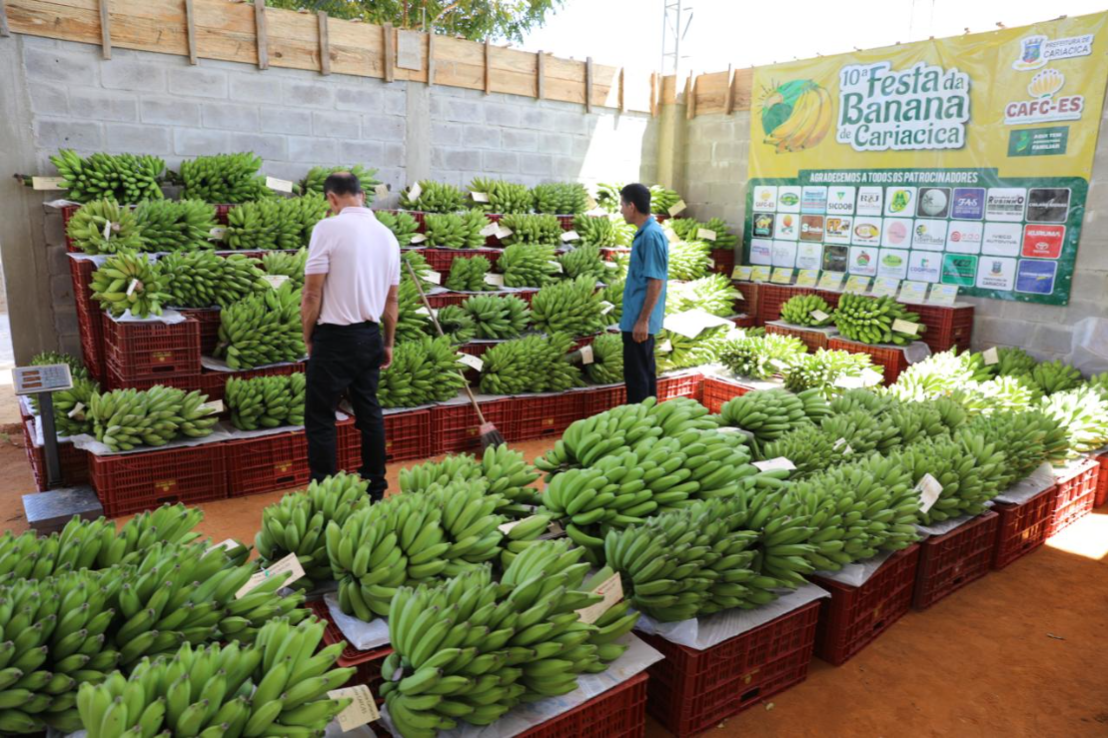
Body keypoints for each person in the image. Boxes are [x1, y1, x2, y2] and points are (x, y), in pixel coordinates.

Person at [301, 171, 400, 500]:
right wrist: (387, 343)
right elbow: (392, 300)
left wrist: (309, 337)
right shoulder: (387, 235)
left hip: (334, 338)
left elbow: (312, 294)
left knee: (320, 417)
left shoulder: (327, 228)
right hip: (370, 335)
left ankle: (325, 493)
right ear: (361, 194)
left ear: (331, 198)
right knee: (369, 412)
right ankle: (376, 487)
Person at [619, 183, 668, 404]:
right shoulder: (646, 233)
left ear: (632, 206)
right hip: (635, 318)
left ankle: (638, 425)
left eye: (622, 205)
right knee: (642, 375)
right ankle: (647, 420)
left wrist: (643, 320)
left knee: (638, 380)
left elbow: (656, 280)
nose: (620, 210)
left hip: (639, 321)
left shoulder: (651, 236)